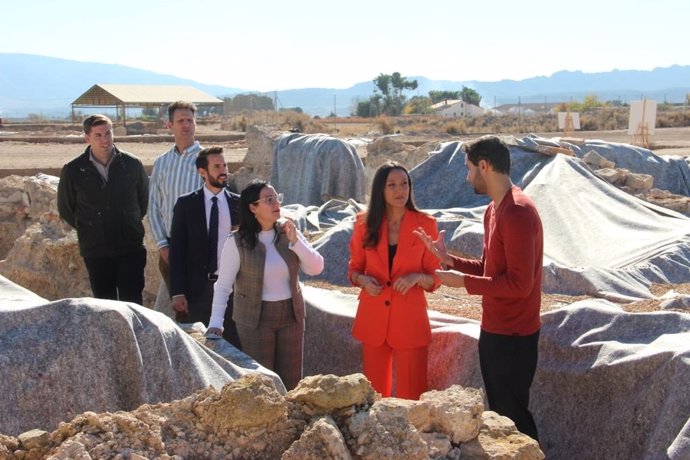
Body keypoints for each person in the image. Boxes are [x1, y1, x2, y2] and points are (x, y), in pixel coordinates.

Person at [415, 135, 543, 441]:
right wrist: (450, 262)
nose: (467, 175)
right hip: (495, 330)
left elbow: (519, 285)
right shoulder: (494, 210)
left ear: (484, 166)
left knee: (514, 418)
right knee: (501, 413)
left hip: (514, 336)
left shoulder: (518, 212)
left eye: (469, 168)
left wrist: (463, 284)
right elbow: (490, 271)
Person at [207, 180, 324, 390]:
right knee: (263, 383)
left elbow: (316, 268)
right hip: (254, 319)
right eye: (269, 200)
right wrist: (216, 323)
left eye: (277, 198)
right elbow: (224, 285)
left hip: (291, 315)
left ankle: (290, 421)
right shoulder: (237, 242)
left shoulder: (288, 232)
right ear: (253, 208)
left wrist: (296, 242)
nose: (276, 204)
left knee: (291, 381)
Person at [348, 161, 441, 400]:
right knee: (375, 396)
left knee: (413, 394)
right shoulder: (362, 223)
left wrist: (416, 277)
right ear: (380, 189)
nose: (400, 190)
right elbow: (354, 270)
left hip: (410, 321)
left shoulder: (426, 224)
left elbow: (435, 278)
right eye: (392, 185)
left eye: (404, 184)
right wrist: (364, 280)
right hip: (373, 318)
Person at [57, 114, 148, 304]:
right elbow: (66, 208)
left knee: (133, 304)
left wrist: (126, 221)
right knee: (105, 306)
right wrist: (91, 227)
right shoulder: (73, 170)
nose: (105, 140)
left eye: (108, 133)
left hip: (130, 247)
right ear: (87, 138)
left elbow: (143, 201)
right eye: (98, 135)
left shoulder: (132, 164)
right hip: (96, 250)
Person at [169, 146, 241, 348]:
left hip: (232, 292)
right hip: (197, 292)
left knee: (234, 348)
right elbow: (177, 251)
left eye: (225, 165)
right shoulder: (186, 205)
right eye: (217, 166)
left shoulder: (239, 204)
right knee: (200, 349)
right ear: (202, 172)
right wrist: (178, 291)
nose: (223, 170)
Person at [149, 101, 204, 295]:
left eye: (190, 120)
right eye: (180, 120)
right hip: (170, 246)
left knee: (202, 305)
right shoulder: (161, 163)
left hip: (200, 245)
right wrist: (163, 245)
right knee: (179, 305)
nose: (186, 125)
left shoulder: (208, 160)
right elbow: (154, 206)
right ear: (169, 125)